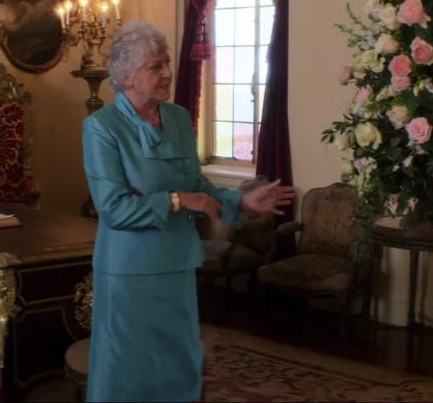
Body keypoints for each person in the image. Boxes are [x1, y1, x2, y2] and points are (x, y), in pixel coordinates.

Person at [82, 21, 295, 402]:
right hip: (129, 270)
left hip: (176, 262)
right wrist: (178, 200)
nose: (167, 72)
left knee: (179, 366)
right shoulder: (101, 127)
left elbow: (198, 187)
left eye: (167, 63)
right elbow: (113, 209)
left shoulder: (178, 118)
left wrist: (243, 201)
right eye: (156, 66)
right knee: (129, 373)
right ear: (127, 77)